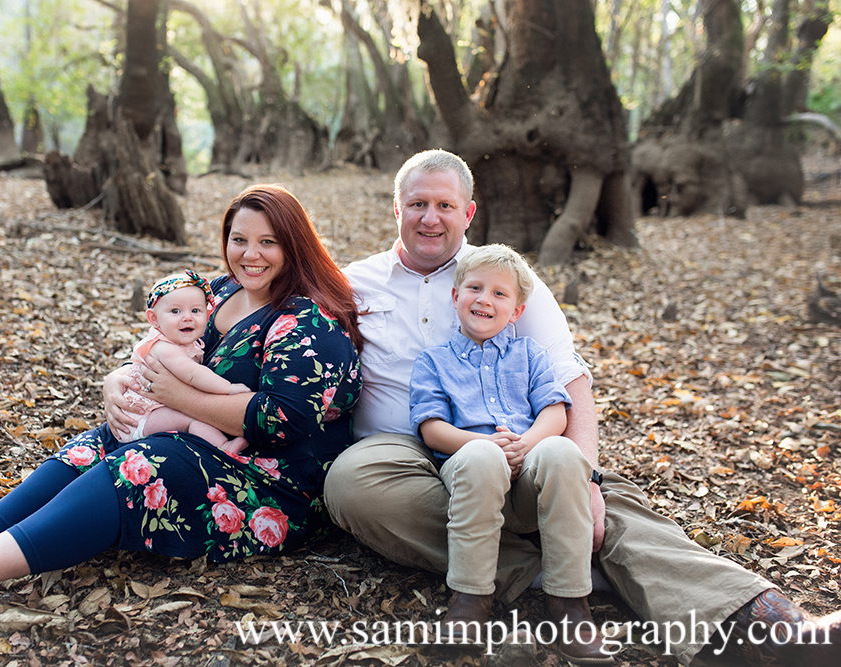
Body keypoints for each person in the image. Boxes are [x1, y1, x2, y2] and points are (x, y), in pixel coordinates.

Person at [323, 149, 841, 666]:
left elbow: (570, 382)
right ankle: (558, 571)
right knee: (350, 484)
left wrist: (587, 476)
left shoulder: (501, 275)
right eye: (417, 204)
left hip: (521, 446)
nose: (430, 218)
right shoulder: (353, 284)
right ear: (396, 209)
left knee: (601, 509)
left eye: (444, 205)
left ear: (468, 213)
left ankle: (766, 625)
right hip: (406, 459)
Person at [0, 184, 363, 624]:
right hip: (195, 441)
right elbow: (158, 339)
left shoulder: (308, 320)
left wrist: (178, 398)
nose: (250, 254)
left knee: (139, 465)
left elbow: (284, 419)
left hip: (266, 478)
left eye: (268, 242)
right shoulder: (218, 291)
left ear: (293, 245)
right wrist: (117, 379)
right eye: (239, 239)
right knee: (96, 444)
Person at [409, 243, 610, 662]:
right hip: (471, 467)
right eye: (475, 288)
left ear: (516, 311)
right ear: (455, 296)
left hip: (529, 465)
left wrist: (527, 443)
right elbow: (432, 428)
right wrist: (483, 444)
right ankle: (469, 602)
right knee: (483, 460)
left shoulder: (530, 354)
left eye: (500, 294)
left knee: (562, 452)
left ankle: (570, 604)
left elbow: (555, 411)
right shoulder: (434, 361)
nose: (485, 299)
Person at [116, 268, 248, 453]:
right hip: (139, 418)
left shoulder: (182, 342)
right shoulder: (164, 347)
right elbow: (194, 374)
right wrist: (228, 389)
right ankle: (223, 446)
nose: (187, 317)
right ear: (154, 319)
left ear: (207, 315)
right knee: (192, 420)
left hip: (153, 411)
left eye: (195, 310)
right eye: (175, 311)